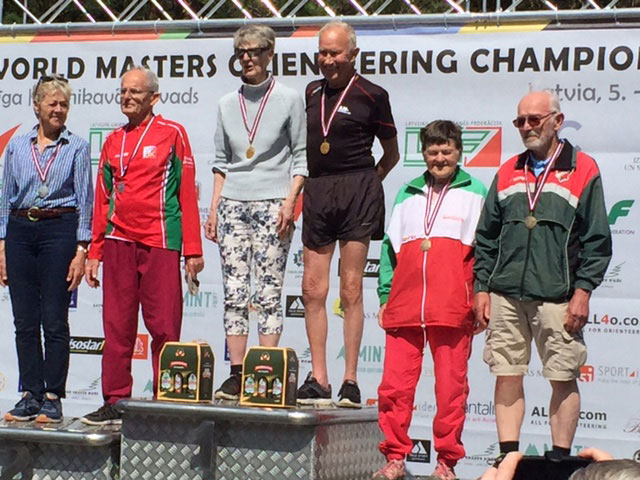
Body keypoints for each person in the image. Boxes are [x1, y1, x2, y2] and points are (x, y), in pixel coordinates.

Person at [473, 91, 612, 461]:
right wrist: (481, 287)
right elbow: (486, 236)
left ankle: (560, 460)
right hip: (505, 294)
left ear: (557, 121)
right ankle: (508, 457)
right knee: (506, 374)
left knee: (562, 376)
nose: (526, 127)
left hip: (558, 296)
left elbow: (597, 239)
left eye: (534, 119)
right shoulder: (508, 170)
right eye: (520, 121)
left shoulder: (583, 169)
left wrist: (583, 291)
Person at [80, 66, 204, 425]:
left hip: (160, 240)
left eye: (135, 92)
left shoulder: (173, 133)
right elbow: (103, 199)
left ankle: (167, 402)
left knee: (164, 327)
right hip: (118, 241)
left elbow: (186, 193)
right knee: (117, 326)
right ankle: (115, 401)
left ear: (154, 97)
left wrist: (193, 249)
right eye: (123, 91)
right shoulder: (112, 140)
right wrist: (95, 250)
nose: (127, 97)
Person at [372, 121, 487, 480]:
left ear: (459, 152)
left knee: (451, 388)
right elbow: (390, 250)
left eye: (446, 151)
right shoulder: (407, 193)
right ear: (423, 153)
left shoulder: (477, 192)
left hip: (453, 305)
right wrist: (386, 294)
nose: (439, 158)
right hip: (405, 302)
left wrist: (481, 295)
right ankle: (395, 458)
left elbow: (486, 251)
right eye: (433, 151)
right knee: (394, 387)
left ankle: (446, 462)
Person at [298, 20, 399, 408]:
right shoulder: (311, 92)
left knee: (351, 289)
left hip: (357, 188)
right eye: (322, 52)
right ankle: (319, 377)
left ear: (353, 54)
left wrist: (370, 182)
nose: (327, 60)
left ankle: (351, 380)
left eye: (335, 53)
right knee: (312, 289)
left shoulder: (373, 94)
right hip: (318, 189)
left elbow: (391, 153)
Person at [203, 25, 307, 400]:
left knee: (268, 291)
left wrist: (290, 201)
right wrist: (214, 209)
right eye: (241, 52)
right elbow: (220, 162)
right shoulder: (226, 103)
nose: (247, 58)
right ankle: (236, 373)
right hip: (232, 203)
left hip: (273, 203)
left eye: (254, 50)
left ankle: (265, 371)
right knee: (234, 291)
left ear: (269, 54)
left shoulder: (289, 98)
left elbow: (301, 157)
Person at [0, 74, 93, 423]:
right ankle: (30, 393)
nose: (58, 109)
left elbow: (85, 200)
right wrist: (2, 245)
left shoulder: (77, 146)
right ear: (37, 106)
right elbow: (4, 197)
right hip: (20, 230)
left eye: (64, 104)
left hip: (59, 229)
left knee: (54, 319)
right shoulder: (17, 146)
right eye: (52, 103)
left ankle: (53, 396)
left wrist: (81, 250)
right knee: (24, 320)